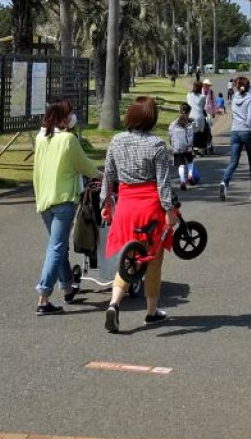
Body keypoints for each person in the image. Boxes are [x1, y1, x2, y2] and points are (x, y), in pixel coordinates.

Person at [102, 96, 181, 332]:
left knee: (130, 260)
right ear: (151, 118)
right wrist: (170, 211)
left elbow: (107, 175)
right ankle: (151, 312)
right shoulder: (156, 145)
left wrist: (106, 203)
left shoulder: (116, 141)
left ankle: (114, 303)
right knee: (153, 261)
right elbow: (163, 184)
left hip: (126, 205)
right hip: (150, 207)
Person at [32, 100, 97, 315]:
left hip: (44, 201)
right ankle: (44, 297)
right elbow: (85, 166)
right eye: (70, 114)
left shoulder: (41, 138)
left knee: (57, 246)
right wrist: (104, 176)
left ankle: (68, 286)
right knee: (57, 247)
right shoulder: (69, 140)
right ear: (62, 118)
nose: (73, 117)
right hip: (63, 201)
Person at [219, 75, 251, 201]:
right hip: (247, 132)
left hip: (235, 131)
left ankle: (224, 183)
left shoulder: (234, 98)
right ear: (248, 86)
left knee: (233, 162)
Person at [168, 109, 198, 187]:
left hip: (178, 147)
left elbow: (170, 134)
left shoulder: (173, 124)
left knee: (181, 165)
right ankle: (190, 175)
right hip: (188, 146)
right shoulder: (191, 123)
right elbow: (195, 133)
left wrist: (172, 145)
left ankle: (182, 180)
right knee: (190, 162)